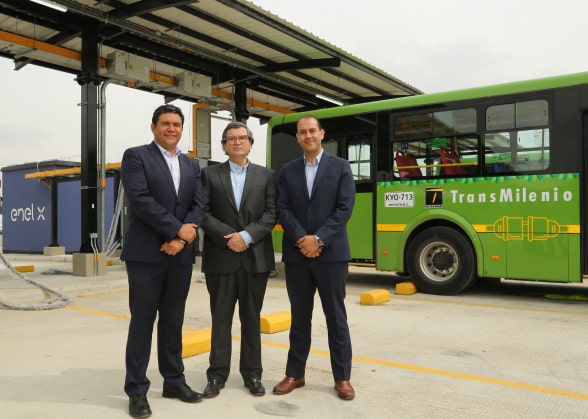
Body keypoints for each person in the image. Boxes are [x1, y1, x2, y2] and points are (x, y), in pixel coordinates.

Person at [120, 104, 205, 418]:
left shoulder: (191, 165)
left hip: (179, 254)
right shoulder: (136, 156)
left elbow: (199, 205)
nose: (172, 129)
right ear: (153, 127)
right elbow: (140, 199)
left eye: (177, 124)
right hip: (145, 254)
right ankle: (137, 390)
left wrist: (181, 238)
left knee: (173, 322)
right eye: (166, 123)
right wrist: (174, 229)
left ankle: (173, 381)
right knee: (142, 324)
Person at [273, 115, 356, 400]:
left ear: (321, 134)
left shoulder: (341, 167)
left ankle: (342, 377)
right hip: (298, 256)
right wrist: (302, 240)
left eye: (312, 131)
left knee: (336, 317)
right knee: (300, 317)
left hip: (330, 254)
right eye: (302, 132)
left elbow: (344, 209)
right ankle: (295, 374)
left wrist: (318, 239)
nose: (308, 136)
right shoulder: (287, 170)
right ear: (297, 137)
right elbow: (283, 208)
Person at [200, 121, 277, 398]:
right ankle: (217, 375)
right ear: (223, 145)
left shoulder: (267, 176)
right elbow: (203, 212)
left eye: (242, 138)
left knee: (251, 319)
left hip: (254, 258)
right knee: (220, 320)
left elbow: (271, 213)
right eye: (231, 138)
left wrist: (246, 236)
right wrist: (229, 236)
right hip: (221, 258)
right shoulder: (209, 175)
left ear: (250, 143)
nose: (237, 142)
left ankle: (252, 374)